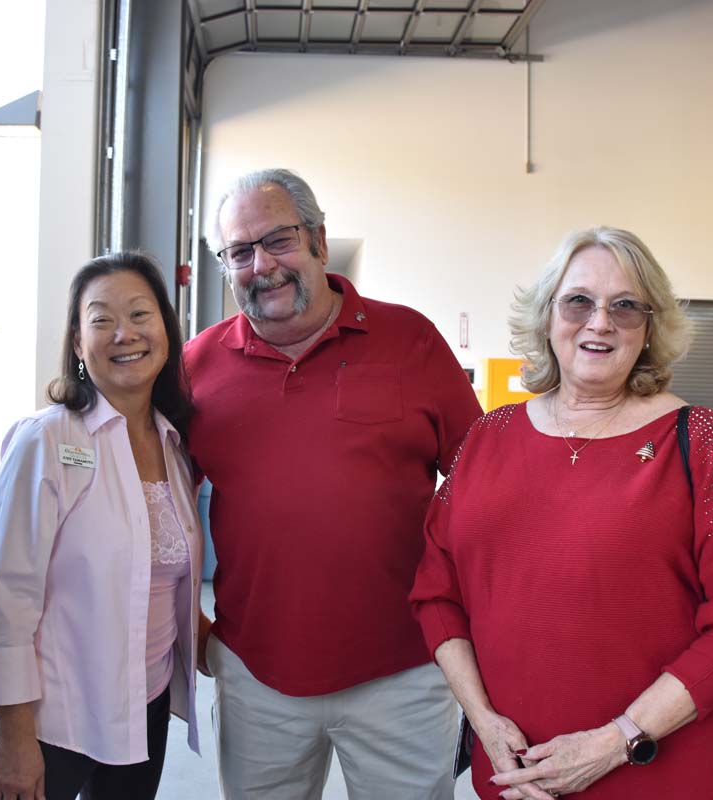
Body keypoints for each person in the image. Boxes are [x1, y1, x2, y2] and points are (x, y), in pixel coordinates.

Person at [409, 226, 713, 800]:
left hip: (661, 772)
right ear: (548, 316)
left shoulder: (702, 440)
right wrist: (484, 723)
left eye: (626, 306)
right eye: (578, 301)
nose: (600, 322)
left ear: (649, 329)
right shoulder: (488, 437)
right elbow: (437, 596)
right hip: (516, 775)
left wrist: (616, 740)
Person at [186, 168, 483, 799]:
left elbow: (479, 487)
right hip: (254, 675)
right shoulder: (198, 366)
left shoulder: (411, 341)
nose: (261, 265)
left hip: (403, 673)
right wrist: (185, 621)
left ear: (318, 241)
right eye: (239, 252)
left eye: (278, 240)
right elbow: (150, 507)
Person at [0, 252, 203, 800]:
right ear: (79, 343)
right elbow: (8, 599)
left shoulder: (174, 446)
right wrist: (15, 737)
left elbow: (165, 581)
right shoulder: (48, 440)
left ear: (166, 332)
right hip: (54, 720)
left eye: (140, 315)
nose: (124, 333)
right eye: (101, 320)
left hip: (142, 711)